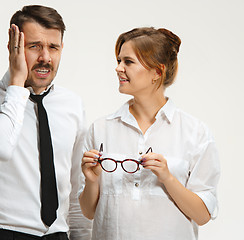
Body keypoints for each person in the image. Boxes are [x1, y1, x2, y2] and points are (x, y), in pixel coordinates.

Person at [0, 5, 91, 240]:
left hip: (57, 234)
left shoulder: (72, 104)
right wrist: (17, 83)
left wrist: (81, 236)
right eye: (34, 47)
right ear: (13, 48)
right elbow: (0, 146)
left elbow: (76, 183)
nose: (45, 58)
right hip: (0, 232)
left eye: (53, 47)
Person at [79, 27, 220, 240]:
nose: (118, 68)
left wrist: (167, 178)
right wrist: (91, 180)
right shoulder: (100, 129)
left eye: (128, 62)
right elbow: (89, 212)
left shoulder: (195, 133)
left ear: (157, 72)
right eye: (118, 61)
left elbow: (202, 215)